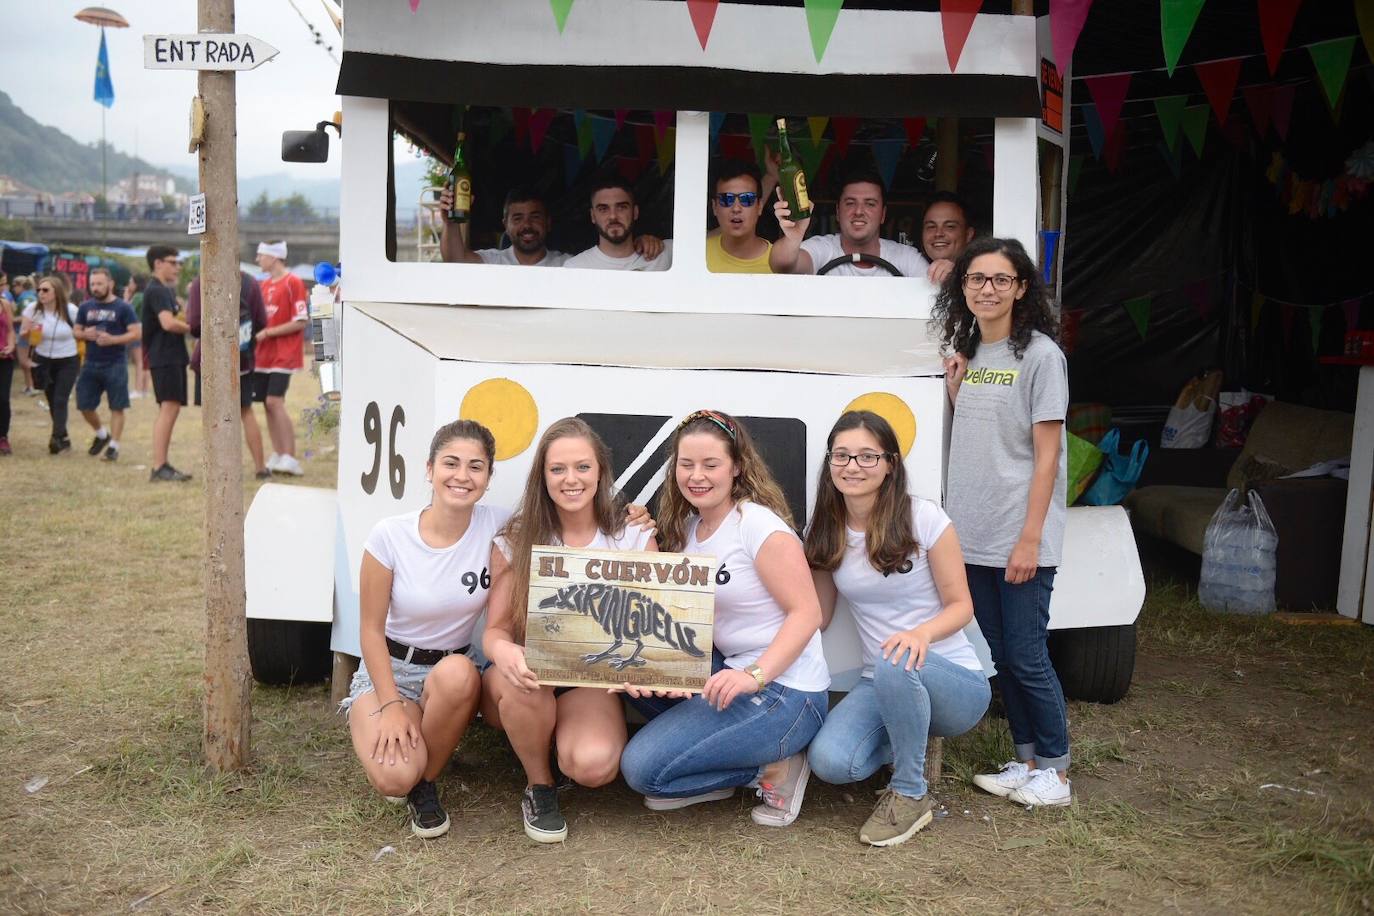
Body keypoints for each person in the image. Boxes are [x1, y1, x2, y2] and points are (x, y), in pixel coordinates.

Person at [620, 410, 829, 829]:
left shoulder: (757, 525)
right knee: (629, 669)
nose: (697, 475)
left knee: (644, 772)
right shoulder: (691, 528)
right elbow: (666, 608)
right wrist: (637, 530)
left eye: (710, 464)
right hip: (727, 673)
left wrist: (754, 675)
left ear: (736, 467)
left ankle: (774, 770)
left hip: (785, 692)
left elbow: (808, 613)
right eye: (686, 464)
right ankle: (713, 760)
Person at [804, 410, 989, 846]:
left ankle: (910, 794)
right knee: (830, 763)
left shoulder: (925, 519)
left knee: (896, 658)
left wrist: (921, 635)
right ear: (829, 464)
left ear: (890, 464)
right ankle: (909, 734)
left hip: (953, 681)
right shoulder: (825, 531)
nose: (853, 466)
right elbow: (819, 615)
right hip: (880, 680)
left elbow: (962, 605)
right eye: (842, 456)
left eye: (868, 456)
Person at [934, 236, 1071, 808]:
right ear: (962, 288)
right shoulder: (970, 353)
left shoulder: (1041, 356)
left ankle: (1057, 772)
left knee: (1027, 653)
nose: (986, 289)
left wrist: (1031, 540)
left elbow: (1047, 457)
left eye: (999, 280)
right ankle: (1026, 759)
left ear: (1020, 289)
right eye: (975, 279)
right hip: (973, 533)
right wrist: (953, 389)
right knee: (1000, 652)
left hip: (1020, 536)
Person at [481, 417, 655, 843]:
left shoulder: (632, 534)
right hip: (524, 679)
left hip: (587, 681)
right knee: (527, 681)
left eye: (582, 467)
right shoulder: (517, 537)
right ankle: (539, 785)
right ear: (542, 476)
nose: (570, 479)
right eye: (557, 469)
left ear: (600, 472)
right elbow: (495, 632)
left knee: (593, 767)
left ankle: (558, 744)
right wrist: (507, 655)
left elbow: (651, 626)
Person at [342, 420, 502, 839]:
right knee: (393, 778)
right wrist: (392, 704)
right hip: (389, 668)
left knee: (459, 673)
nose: (462, 476)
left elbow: (567, 518)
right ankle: (403, 757)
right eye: (451, 463)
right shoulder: (390, 535)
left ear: (488, 478)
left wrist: (632, 515)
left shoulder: (498, 526)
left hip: (450, 672)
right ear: (430, 469)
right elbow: (370, 632)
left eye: (476, 467)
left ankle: (425, 785)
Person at [186, 271, 270, 478]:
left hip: (210, 359)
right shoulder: (250, 281)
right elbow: (260, 321)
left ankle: (218, 470)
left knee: (212, 415)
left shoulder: (203, 278)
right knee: (246, 412)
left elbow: (195, 325)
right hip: (241, 358)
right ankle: (260, 468)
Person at [770, 170, 928, 278]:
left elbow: (938, 294)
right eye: (850, 203)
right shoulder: (822, 249)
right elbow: (782, 266)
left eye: (870, 204)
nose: (859, 211)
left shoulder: (906, 258)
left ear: (883, 214)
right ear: (838, 212)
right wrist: (792, 238)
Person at [252, 241, 308, 476]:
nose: (257, 260)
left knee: (275, 401)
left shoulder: (293, 282)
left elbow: (301, 320)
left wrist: (269, 333)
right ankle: (278, 453)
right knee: (266, 403)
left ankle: (290, 456)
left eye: (260, 255)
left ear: (274, 257)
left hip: (284, 353)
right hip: (262, 355)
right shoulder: (263, 285)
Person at [73, 268, 140, 462]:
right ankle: (102, 435)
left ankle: (114, 447)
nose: (95, 287)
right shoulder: (85, 307)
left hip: (115, 363)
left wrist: (113, 339)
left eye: (99, 283)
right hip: (90, 363)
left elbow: (136, 333)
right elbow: (76, 331)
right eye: (92, 284)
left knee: (117, 406)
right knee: (84, 404)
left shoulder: (123, 308)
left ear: (109, 284)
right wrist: (85, 334)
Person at [141, 245, 193, 482]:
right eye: (173, 262)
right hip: (164, 356)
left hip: (171, 355)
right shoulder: (158, 290)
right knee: (168, 407)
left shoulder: (166, 290)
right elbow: (168, 323)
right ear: (158, 263)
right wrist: (196, 328)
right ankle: (159, 465)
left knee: (171, 408)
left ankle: (163, 464)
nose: (177, 267)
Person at [19, 276, 80, 454]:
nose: (41, 293)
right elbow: (23, 339)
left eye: (45, 290)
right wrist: (26, 335)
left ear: (56, 292)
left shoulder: (71, 310)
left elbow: (81, 331)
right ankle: (64, 436)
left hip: (68, 359)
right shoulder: (33, 310)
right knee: (52, 400)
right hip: (43, 359)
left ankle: (56, 439)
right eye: (39, 290)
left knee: (61, 399)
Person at [563, 177, 673, 271]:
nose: (613, 216)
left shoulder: (666, 253)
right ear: (593, 216)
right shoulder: (575, 267)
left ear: (635, 212)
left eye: (621, 207)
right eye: (603, 209)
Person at [706, 160, 772, 274]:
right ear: (714, 207)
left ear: (759, 206)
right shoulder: (698, 255)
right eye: (726, 199)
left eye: (747, 199)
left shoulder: (779, 262)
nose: (736, 208)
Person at [921, 191, 975, 285]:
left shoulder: (983, 274)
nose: (938, 233)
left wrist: (956, 274)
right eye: (931, 226)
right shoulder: (911, 269)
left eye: (950, 226)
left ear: (968, 234)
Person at [123, 274, 151, 399]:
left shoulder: (138, 296)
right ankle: (144, 390)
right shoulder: (144, 295)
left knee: (138, 362)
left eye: (131, 282)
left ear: (136, 284)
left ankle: (138, 390)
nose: (129, 285)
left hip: (138, 330)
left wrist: (126, 298)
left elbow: (126, 311)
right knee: (144, 362)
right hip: (145, 329)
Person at [12, 275, 38, 396]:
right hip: (36, 331)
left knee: (24, 361)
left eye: (14, 286)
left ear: (20, 286)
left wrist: (10, 319)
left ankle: (32, 386)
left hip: (26, 331)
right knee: (31, 359)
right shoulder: (33, 296)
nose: (13, 289)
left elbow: (25, 317)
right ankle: (30, 386)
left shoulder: (25, 298)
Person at [0, 291, 14, 455]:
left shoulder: (4, 304)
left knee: (3, 398)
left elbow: (10, 330)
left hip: (5, 358)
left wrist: (11, 346)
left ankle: (3, 436)